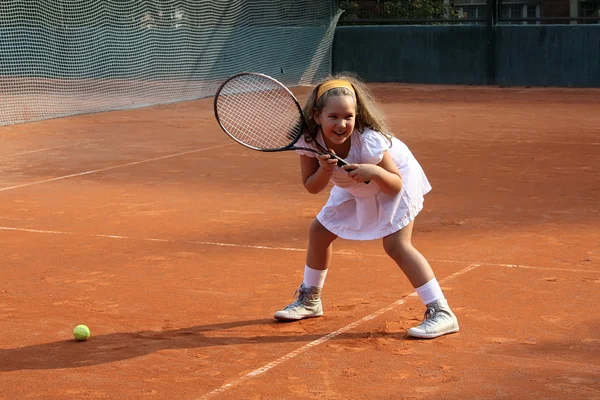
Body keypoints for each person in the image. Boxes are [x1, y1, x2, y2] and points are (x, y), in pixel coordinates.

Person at [273, 73, 459, 339]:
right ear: (316, 116)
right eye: (333, 117)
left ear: (357, 116)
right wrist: (325, 171)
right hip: (353, 182)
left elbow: (395, 184)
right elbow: (312, 186)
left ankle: (442, 312)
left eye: (348, 117)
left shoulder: (370, 141)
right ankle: (310, 301)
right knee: (319, 232)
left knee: (396, 245)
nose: (341, 123)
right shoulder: (309, 140)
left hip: (393, 178)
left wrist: (374, 171)